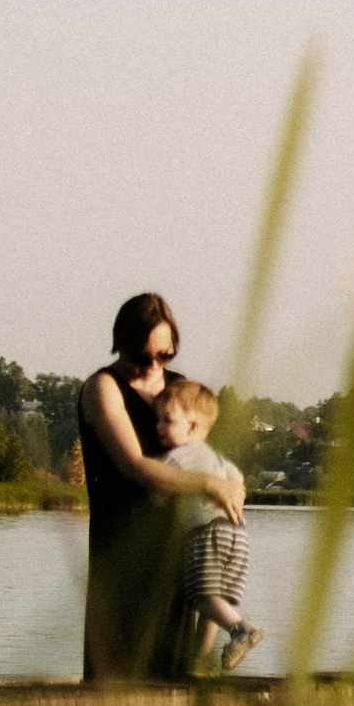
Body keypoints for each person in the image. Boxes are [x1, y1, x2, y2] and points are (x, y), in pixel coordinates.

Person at [77, 292, 244, 681]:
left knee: (176, 675)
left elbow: (204, 455)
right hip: (123, 556)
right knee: (119, 681)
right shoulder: (104, 388)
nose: (154, 365)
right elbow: (133, 465)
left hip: (178, 553)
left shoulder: (181, 388)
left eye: (164, 356)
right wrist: (208, 483)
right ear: (123, 345)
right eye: (144, 356)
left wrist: (232, 484)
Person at [154, 372, 262, 671]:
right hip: (237, 533)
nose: (158, 427)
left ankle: (241, 629)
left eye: (166, 420)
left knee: (201, 597)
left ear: (191, 427)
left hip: (208, 533)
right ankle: (200, 665)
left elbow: (159, 492)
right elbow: (239, 482)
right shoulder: (217, 459)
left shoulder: (178, 457)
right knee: (215, 601)